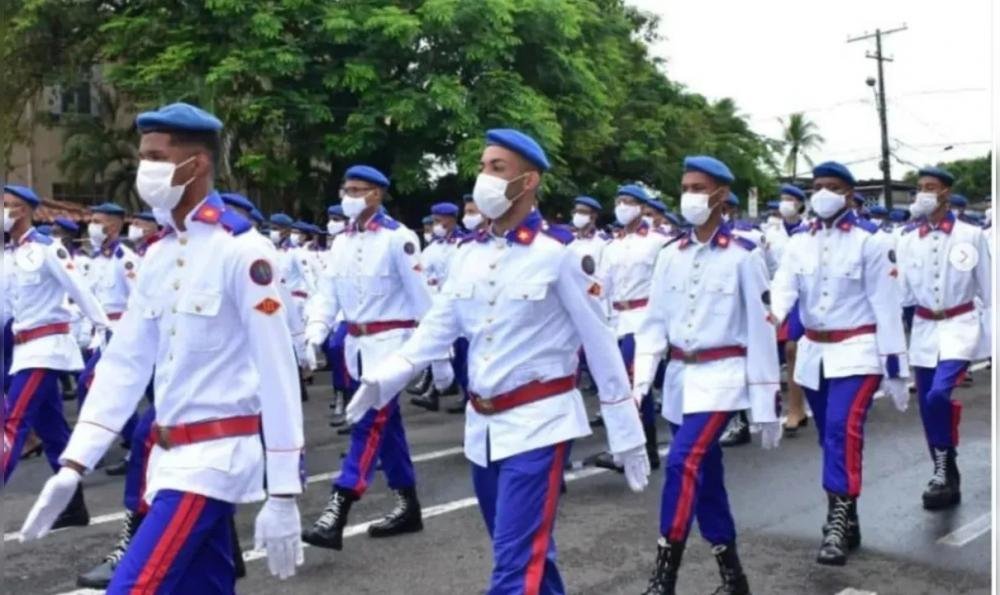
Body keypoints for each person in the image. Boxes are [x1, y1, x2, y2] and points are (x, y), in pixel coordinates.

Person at [342, 128, 650, 594]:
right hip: (483, 429)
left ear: (527, 182)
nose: (484, 177)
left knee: (512, 569)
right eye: (484, 166)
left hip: (539, 425)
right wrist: (386, 376)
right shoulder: (471, 255)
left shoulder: (560, 254)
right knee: (530, 561)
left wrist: (627, 433)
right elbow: (437, 327)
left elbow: (600, 344)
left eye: (497, 168)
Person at [18, 102, 306, 591]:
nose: (143, 169)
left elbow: (278, 373)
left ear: (197, 164)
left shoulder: (241, 251)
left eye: (155, 156)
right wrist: (74, 462)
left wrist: (284, 490)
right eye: (143, 157)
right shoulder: (159, 254)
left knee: (131, 587)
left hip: (214, 459)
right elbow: (126, 362)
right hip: (167, 459)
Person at [634, 155, 781, 595]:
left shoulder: (743, 257)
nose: (690, 196)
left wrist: (766, 404)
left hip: (724, 377)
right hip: (680, 378)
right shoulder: (669, 255)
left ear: (719, 195)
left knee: (682, 462)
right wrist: (642, 378)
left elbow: (761, 331)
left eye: (699, 188)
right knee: (707, 477)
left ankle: (665, 575)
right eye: (686, 186)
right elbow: (654, 323)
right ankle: (733, 576)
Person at [771, 161, 909, 566]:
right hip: (815, 353)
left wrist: (896, 368)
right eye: (817, 186)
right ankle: (849, 515)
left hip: (858, 350)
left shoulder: (871, 240)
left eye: (832, 186)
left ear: (849, 194)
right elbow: (784, 287)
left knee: (839, 429)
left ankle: (835, 521)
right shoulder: (800, 241)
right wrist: (771, 318)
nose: (822, 193)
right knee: (829, 438)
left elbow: (886, 308)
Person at [301, 164, 431, 551]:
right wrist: (315, 332)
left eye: (357, 190)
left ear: (377, 194)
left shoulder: (399, 239)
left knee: (368, 421)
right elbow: (328, 294)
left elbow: (424, 302)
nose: (349, 195)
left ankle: (337, 508)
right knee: (387, 429)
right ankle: (408, 505)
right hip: (358, 347)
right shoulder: (340, 242)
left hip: (392, 345)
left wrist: (427, 361)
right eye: (347, 188)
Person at [2, 184, 110, 532]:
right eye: (5, 205)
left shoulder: (49, 249)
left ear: (28, 211)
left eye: (13, 205)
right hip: (22, 349)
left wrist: (104, 331)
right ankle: (74, 507)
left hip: (46, 349)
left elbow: (80, 291)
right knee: (54, 433)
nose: (7, 211)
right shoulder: (10, 255)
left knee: (14, 424)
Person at [896, 166, 992, 510]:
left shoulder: (970, 236)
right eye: (919, 187)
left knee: (938, 395)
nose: (923, 193)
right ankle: (945, 470)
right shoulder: (906, 240)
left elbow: (989, 289)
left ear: (945, 193)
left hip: (960, 324)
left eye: (930, 187)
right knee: (925, 404)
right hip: (923, 329)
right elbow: (901, 294)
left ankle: (943, 462)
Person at [594, 183, 670, 470]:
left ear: (641, 208)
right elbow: (600, 286)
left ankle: (634, 449)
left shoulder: (656, 242)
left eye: (628, 202)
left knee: (633, 383)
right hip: (616, 321)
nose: (622, 207)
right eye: (619, 201)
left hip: (643, 320)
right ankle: (643, 448)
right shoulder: (611, 246)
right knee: (624, 386)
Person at [764, 184, 810, 435]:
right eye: (782, 199)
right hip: (782, 297)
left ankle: (799, 407)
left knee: (796, 350)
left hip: (808, 297)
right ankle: (795, 407)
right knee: (789, 353)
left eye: (790, 199)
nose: (785, 204)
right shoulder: (770, 233)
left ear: (801, 204)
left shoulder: (811, 230)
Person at [412, 202, 466, 411]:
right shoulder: (434, 247)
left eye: (438, 221)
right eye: (433, 221)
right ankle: (435, 391)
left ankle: (464, 393)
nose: (435, 225)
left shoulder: (464, 244)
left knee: (462, 354)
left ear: (452, 219)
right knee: (438, 348)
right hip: (440, 304)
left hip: (462, 303)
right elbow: (423, 272)